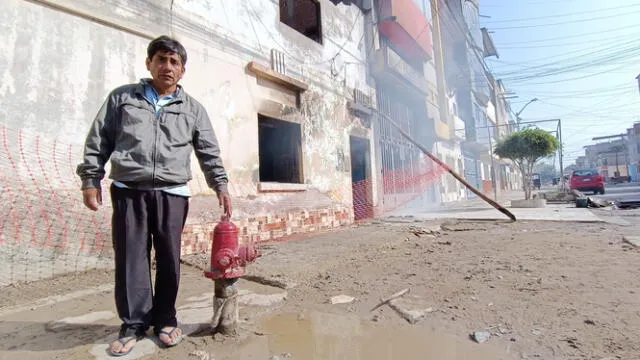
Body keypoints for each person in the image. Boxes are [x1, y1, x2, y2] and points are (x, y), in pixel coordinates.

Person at [76, 35, 232, 356]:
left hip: (173, 192)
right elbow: (99, 140)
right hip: (128, 190)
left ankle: (165, 319)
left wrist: (221, 186)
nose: (167, 66)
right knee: (131, 258)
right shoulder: (122, 99)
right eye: (161, 59)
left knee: (169, 258)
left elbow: (209, 152)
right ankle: (133, 324)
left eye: (175, 62)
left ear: (182, 71)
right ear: (149, 63)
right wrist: (90, 179)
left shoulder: (193, 110)